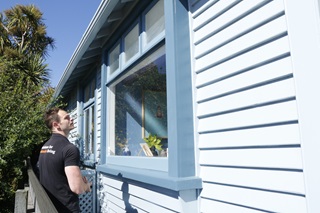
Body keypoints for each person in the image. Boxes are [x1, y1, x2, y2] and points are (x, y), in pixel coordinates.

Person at [38, 108, 92, 212]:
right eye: (66, 118)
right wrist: (86, 186)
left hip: (49, 206)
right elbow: (77, 188)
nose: (71, 119)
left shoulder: (45, 147)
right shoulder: (69, 149)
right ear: (56, 125)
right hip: (66, 208)